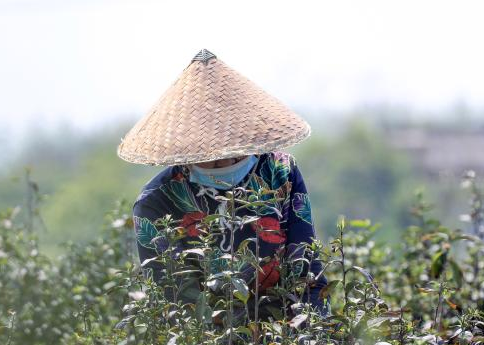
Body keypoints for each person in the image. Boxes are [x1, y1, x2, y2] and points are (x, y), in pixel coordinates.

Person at [118, 49, 327, 317]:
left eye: (234, 154)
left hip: (284, 330)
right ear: (187, 152)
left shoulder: (280, 172)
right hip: (208, 344)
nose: (224, 164)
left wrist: (314, 344)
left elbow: (306, 269)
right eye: (212, 159)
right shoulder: (157, 202)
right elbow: (175, 302)